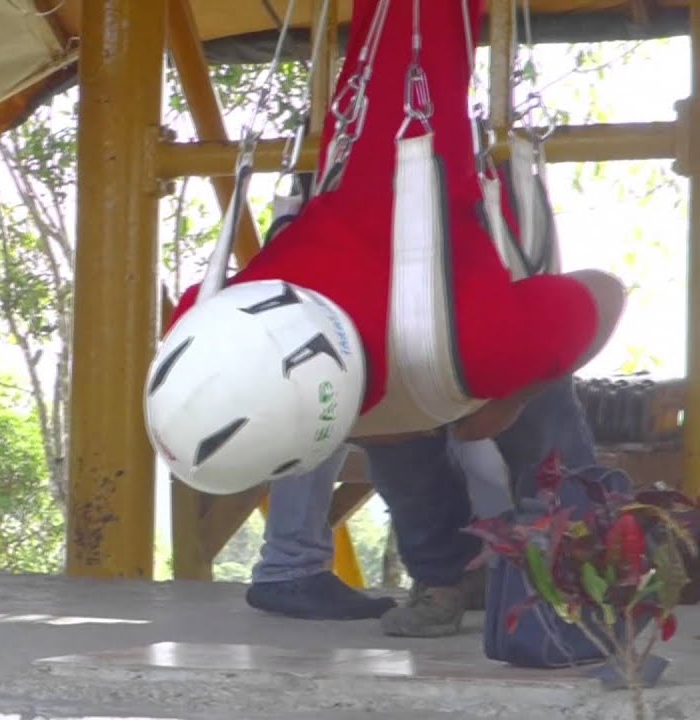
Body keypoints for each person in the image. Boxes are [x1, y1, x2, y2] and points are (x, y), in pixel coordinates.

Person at [148, 0, 624, 496]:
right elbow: (606, 294)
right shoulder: (201, 319)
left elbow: (606, 293)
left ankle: (477, 556)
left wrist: (512, 396)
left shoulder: (480, 354)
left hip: (443, 318)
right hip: (376, 124)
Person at [248, 375, 598, 637]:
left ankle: (579, 573)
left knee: (542, 413)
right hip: (403, 315)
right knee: (397, 434)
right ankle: (442, 580)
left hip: (503, 307)